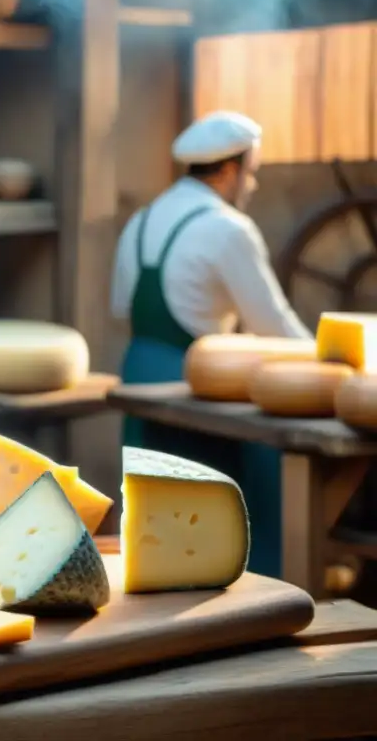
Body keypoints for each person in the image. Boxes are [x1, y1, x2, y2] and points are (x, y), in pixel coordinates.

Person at [110, 110, 313, 577]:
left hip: (139, 373)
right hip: (197, 387)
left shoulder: (141, 221)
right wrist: (338, 362)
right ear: (228, 170)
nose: (253, 185)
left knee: (157, 525)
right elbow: (274, 326)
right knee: (226, 514)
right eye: (252, 173)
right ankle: (261, 593)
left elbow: (122, 309)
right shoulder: (228, 228)